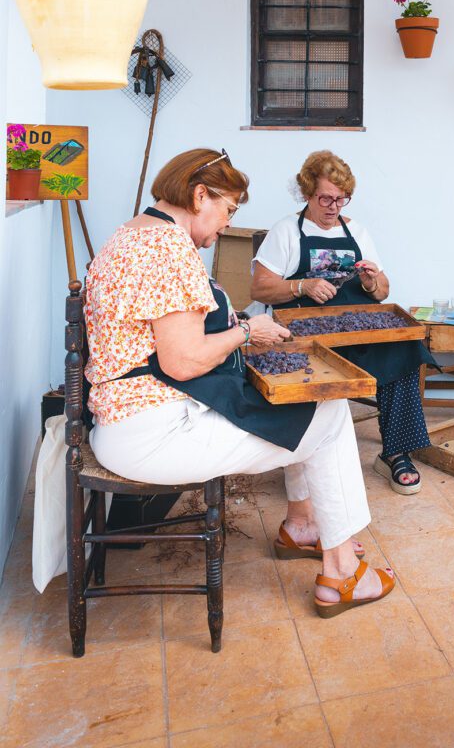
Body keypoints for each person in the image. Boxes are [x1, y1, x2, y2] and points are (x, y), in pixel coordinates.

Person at [84, 148, 394, 617]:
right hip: (153, 433)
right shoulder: (169, 248)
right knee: (329, 413)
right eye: (227, 210)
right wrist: (247, 331)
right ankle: (342, 572)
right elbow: (185, 361)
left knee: (306, 414)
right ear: (199, 194)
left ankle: (308, 529)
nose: (227, 224)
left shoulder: (132, 233)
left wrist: (236, 329)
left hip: (122, 418)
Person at [251, 150, 433, 495]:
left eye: (341, 199)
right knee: (306, 364)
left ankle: (396, 452)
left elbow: (382, 290)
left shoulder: (357, 230)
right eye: (325, 198)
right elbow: (259, 287)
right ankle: (305, 457)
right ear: (307, 194)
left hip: (355, 323)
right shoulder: (287, 231)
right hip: (306, 326)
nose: (334, 207)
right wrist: (301, 285)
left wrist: (370, 283)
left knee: (404, 348)